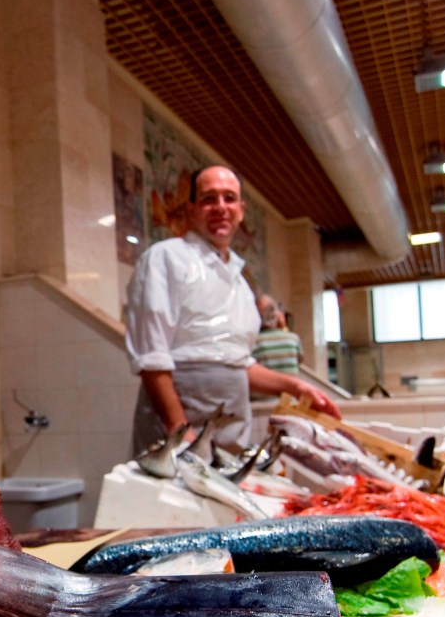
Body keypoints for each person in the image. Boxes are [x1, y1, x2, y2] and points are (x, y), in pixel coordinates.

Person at [125, 164, 341, 454]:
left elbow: (238, 361)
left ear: (241, 209)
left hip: (231, 425)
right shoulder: (166, 258)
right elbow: (152, 357)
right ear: (190, 209)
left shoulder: (239, 281)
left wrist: (292, 385)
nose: (220, 207)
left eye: (229, 198)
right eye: (208, 199)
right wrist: (179, 430)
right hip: (177, 425)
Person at [252, 294, 302, 375]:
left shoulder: (254, 342)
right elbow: (299, 360)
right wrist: (283, 326)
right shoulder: (294, 339)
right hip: (291, 386)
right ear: (277, 315)